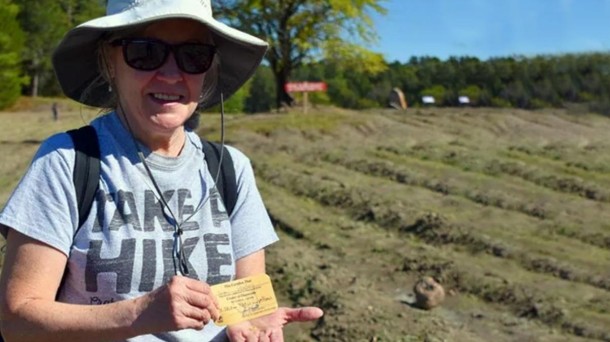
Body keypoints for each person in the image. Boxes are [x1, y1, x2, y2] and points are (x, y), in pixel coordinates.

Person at [0, 0, 323, 341]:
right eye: (145, 52)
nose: (171, 74)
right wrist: (138, 313)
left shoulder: (231, 169)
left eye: (193, 55)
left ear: (209, 68)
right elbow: (17, 320)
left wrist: (252, 325)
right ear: (109, 61)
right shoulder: (67, 161)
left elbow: (247, 305)